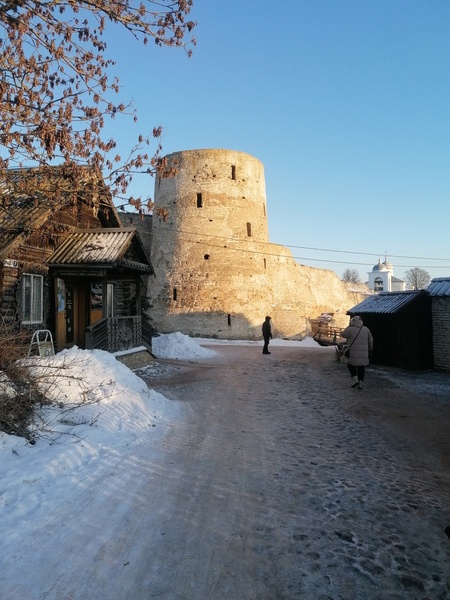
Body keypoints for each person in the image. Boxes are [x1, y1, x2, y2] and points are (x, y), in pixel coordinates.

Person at [340, 315, 373, 389]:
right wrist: (370, 349)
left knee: (351, 365)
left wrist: (348, 326)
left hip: (353, 353)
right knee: (361, 367)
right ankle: (360, 383)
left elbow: (342, 334)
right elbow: (370, 340)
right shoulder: (366, 329)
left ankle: (355, 380)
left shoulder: (350, 329)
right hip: (363, 353)